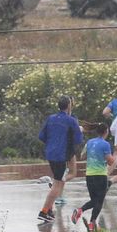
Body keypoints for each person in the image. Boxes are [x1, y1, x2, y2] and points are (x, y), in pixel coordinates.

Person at [36, 96, 83, 224]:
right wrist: (80, 130)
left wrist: (52, 143)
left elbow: (42, 136)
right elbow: (78, 140)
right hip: (61, 155)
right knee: (58, 183)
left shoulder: (51, 118)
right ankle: (44, 211)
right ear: (69, 106)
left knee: (58, 181)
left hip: (51, 153)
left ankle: (48, 211)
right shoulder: (71, 120)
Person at [72, 123, 115, 232]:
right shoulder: (105, 144)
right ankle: (86, 217)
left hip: (89, 175)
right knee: (99, 201)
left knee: (95, 201)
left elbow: (82, 156)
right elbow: (111, 162)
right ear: (106, 132)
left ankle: (91, 223)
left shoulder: (90, 142)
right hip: (100, 175)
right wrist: (116, 152)